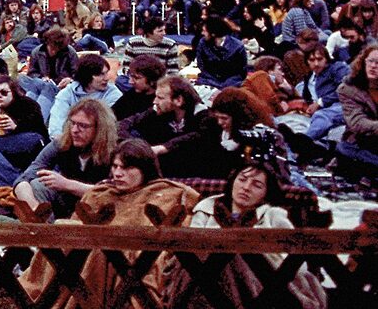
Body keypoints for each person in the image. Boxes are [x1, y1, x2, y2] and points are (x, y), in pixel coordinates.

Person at [18, 139, 200, 304]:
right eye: (115, 166)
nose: (118, 173)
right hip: (84, 257)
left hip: (137, 258)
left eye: (127, 168)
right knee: (62, 229)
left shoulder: (169, 194)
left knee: (101, 249)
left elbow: (178, 238)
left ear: (145, 168)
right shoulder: (100, 194)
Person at [168, 161, 327, 309]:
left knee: (233, 256)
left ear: (265, 193)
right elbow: (190, 248)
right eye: (242, 180)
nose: (246, 187)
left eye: (256, 185)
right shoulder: (207, 208)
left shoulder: (273, 215)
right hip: (202, 279)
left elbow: (294, 263)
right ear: (232, 181)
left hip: (257, 283)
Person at [13, 98, 116, 221]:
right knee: (37, 184)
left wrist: (68, 185)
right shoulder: (62, 143)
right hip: (64, 206)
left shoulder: (115, 152)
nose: (75, 130)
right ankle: (45, 230)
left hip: (99, 212)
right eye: (72, 123)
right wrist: (34, 208)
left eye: (83, 126)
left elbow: (113, 194)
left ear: (99, 129)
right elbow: (26, 176)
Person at [119, 75, 215, 177]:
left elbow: (198, 136)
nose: (154, 101)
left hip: (196, 173)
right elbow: (125, 124)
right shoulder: (157, 111)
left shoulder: (204, 116)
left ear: (178, 100)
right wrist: (136, 146)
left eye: (160, 98)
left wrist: (164, 147)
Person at [0, 75, 48, 189]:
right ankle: (1, 184)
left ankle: (16, 183)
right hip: (14, 149)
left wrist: (16, 126)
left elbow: (38, 128)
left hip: (35, 141)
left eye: (4, 92)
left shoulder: (27, 104)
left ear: (13, 92)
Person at [209, 87, 290, 182]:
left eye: (224, 118)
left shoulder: (263, 135)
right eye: (217, 118)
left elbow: (280, 172)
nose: (219, 122)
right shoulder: (216, 132)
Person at [47, 54, 122, 139]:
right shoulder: (67, 93)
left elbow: (106, 126)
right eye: (101, 74)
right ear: (87, 76)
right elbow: (56, 123)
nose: (107, 78)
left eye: (106, 73)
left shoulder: (113, 94)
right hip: (66, 140)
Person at [18, 26, 79, 122]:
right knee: (24, 79)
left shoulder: (70, 52)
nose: (54, 51)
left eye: (57, 49)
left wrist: (70, 80)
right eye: (52, 48)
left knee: (47, 87)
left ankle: (36, 121)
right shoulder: (37, 52)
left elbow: (78, 74)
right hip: (41, 82)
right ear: (47, 43)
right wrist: (42, 78)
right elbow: (32, 73)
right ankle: (22, 117)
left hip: (60, 87)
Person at [336, 45, 378, 177]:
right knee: (344, 149)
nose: (373, 66)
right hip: (362, 141)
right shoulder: (348, 89)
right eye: (370, 61)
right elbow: (357, 122)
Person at [196, 15, 248, 89]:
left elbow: (242, 72)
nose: (202, 33)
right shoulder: (202, 43)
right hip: (209, 79)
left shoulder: (238, 46)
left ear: (213, 34)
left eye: (204, 31)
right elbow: (201, 65)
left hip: (231, 81)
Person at [110, 54, 166, 120]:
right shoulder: (132, 94)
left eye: (136, 78)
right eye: (131, 76)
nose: (130, 82)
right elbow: (112, 114)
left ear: (152, 80)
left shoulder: (161, 102)